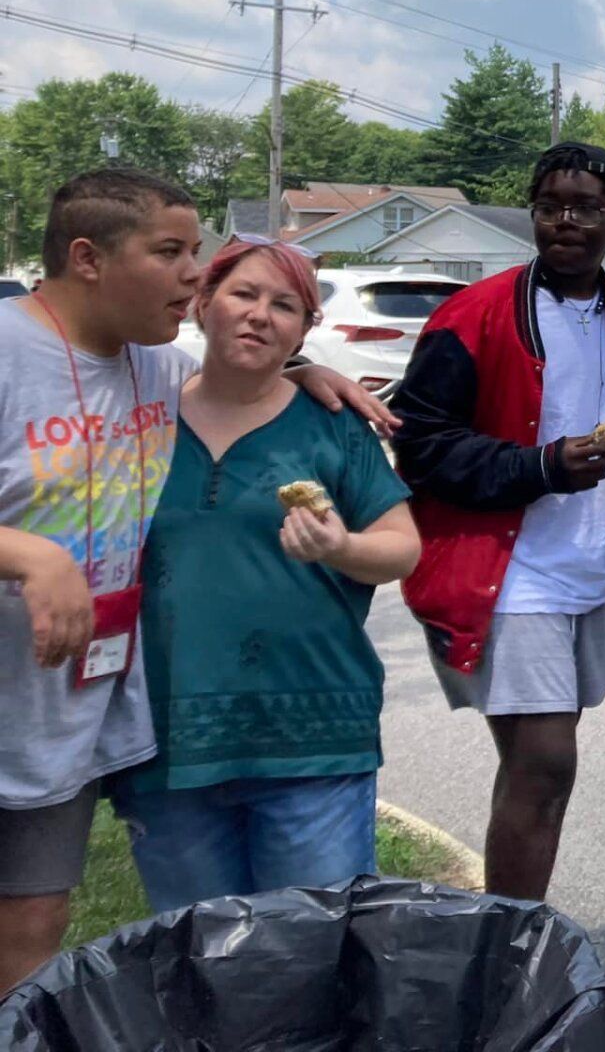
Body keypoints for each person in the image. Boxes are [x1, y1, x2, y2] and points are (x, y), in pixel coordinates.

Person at [0, 170, 393, 992]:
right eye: (172, 251)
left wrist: (310, 372)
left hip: (59, 720)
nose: (192, 272)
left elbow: (251, 351)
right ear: (88, 257)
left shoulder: (150, 368)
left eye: (196, 254)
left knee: (30, 930)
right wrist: (31, 556)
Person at [389, 143, 605, 904]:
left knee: (534, 771)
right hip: (506, 575)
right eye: (550, 207)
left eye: (585, 207)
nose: (565, 222)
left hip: (587, 570)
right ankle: (509, 947)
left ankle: (506, 939)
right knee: (545, 763)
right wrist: (538, 468)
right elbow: (418, 443)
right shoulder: (473, 314)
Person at [112, 237, 419, 910]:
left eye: (285, 306)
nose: (259, 315)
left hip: (313, 737)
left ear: (306, 329)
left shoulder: (332, 425)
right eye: (243, 294)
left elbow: (401, 547)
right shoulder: (140, 418)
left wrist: (338, 546)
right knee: (203, 957)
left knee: (314, 950)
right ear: (204, 303)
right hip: (169, 743)